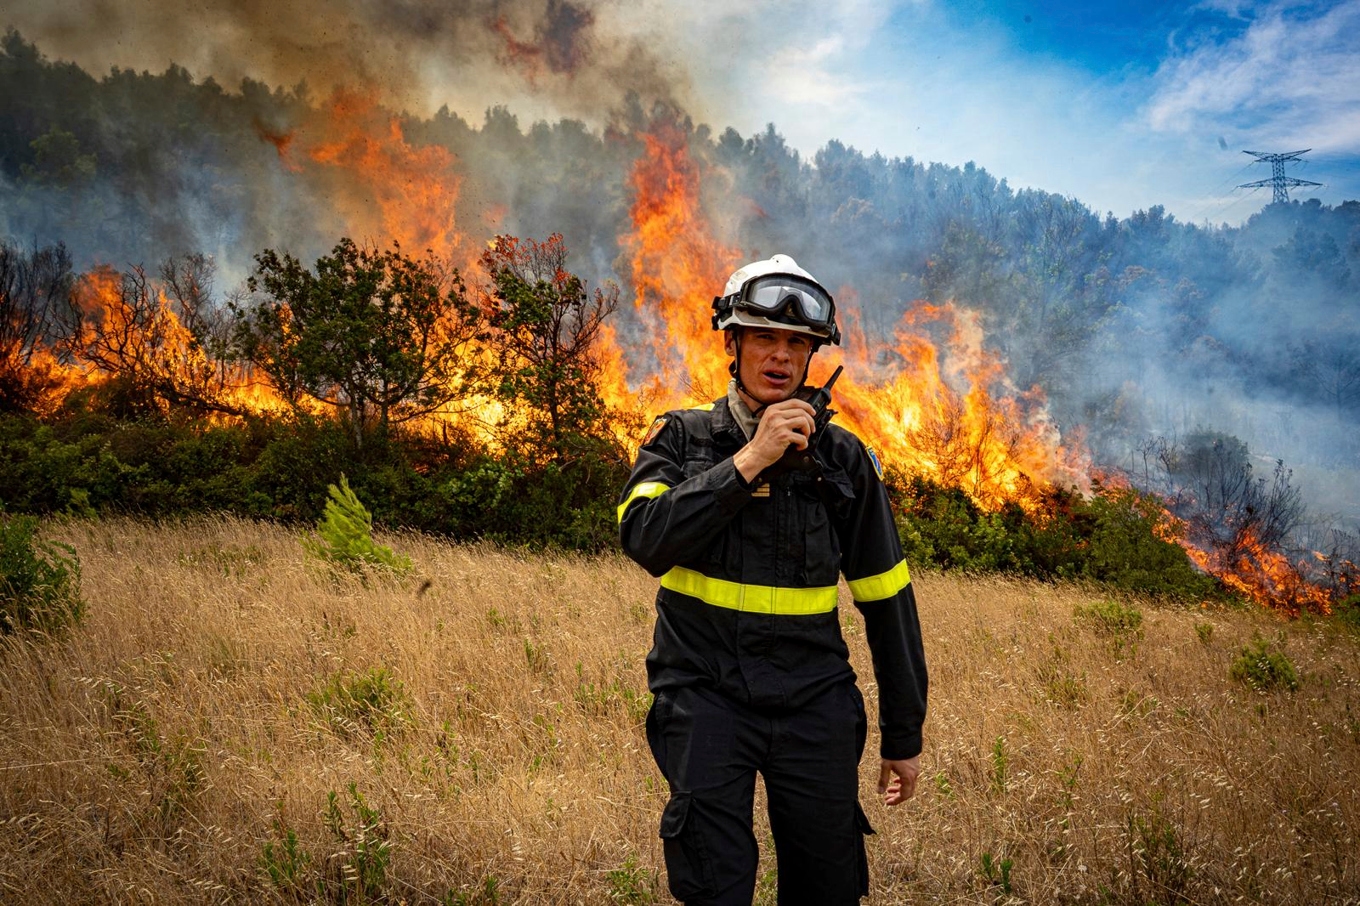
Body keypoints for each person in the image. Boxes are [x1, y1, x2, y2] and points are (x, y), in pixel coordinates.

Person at [616, 254, 929, 905]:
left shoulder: (843, 460)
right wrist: (750, 459)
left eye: (797, 342)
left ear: (814, 353)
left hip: (813, 700)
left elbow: (887, 600)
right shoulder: (681, 439)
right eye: (764, 337)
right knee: (714, 881)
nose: (781, 356)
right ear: (733, 344)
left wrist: (904, 735)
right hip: (704, 695)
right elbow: (645, 538)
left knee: (828, 883)